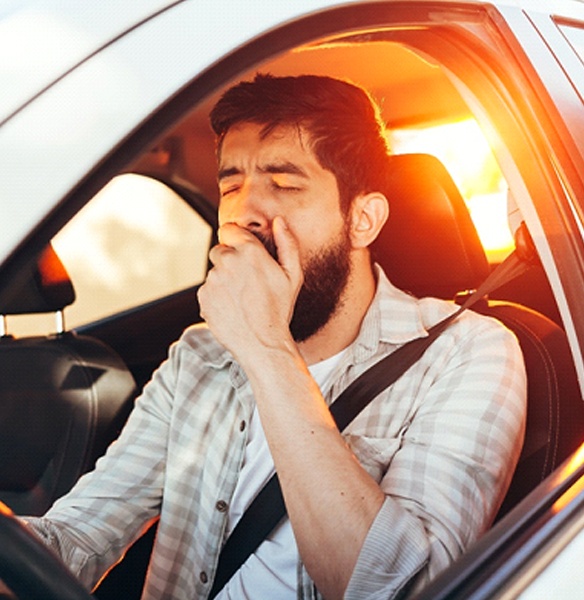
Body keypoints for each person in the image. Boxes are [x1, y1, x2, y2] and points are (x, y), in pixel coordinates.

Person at [21, 74, 526, 599]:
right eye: (231, 185)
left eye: (284, 184)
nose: (244, 213)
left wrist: (266, 350)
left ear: (362, 219)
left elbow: (403, 590)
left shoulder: (468, 353)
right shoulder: (199, 356)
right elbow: (77, 536)